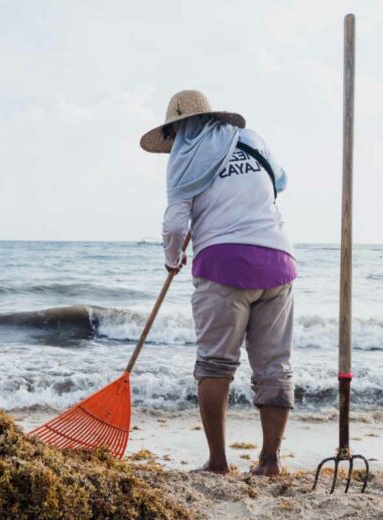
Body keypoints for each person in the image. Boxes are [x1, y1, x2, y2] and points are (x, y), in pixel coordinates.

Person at [140, 90, 297, 476]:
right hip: (279, 259)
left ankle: (218, 463)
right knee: (275, 366)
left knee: (214, 365)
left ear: (177, 129)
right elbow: (279, 182)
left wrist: (172, 258)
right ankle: (270, 463)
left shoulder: (183, 159)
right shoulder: (251, 140)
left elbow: (176, 224)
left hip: (224, 264)